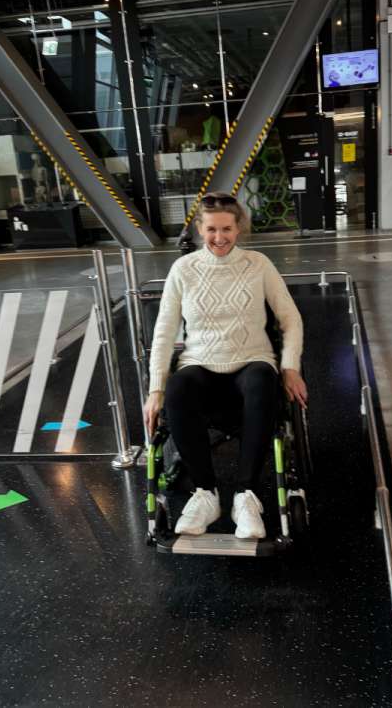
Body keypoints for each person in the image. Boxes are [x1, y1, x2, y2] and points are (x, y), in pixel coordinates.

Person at [143, 192, 307, 540]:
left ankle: (245, 496)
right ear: (199, 229)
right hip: (200, 363)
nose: (220, 238)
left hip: (251, 360)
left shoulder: (258, 264)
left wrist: (290, 366)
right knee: (178, 386)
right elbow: (164, 331)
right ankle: (206, 494)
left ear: (239, 228)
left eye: (227, 229)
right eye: (212, 230)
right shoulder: (183, 270)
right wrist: (155, 388)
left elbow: (290, 319)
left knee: (264, 377)